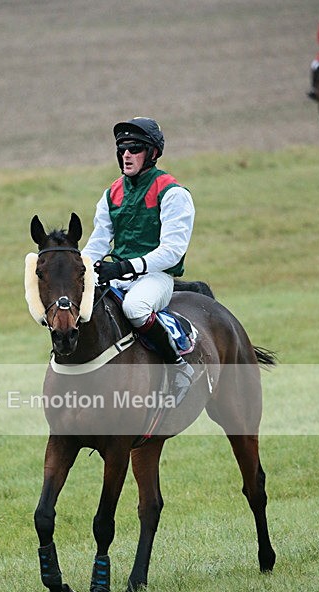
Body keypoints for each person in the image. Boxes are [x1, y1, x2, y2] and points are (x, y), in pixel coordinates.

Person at [81, 116, 196, 406]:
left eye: (134, 148)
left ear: (153, 153)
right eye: (122, 149)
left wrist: (126, 267)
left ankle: (180, 369)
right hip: (117, 275)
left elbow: (172, 250)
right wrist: (81, 271)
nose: (126, 155)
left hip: (156, 278)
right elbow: (97, 242)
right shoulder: (111, 194)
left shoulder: (173, 193)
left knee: (134, 307)